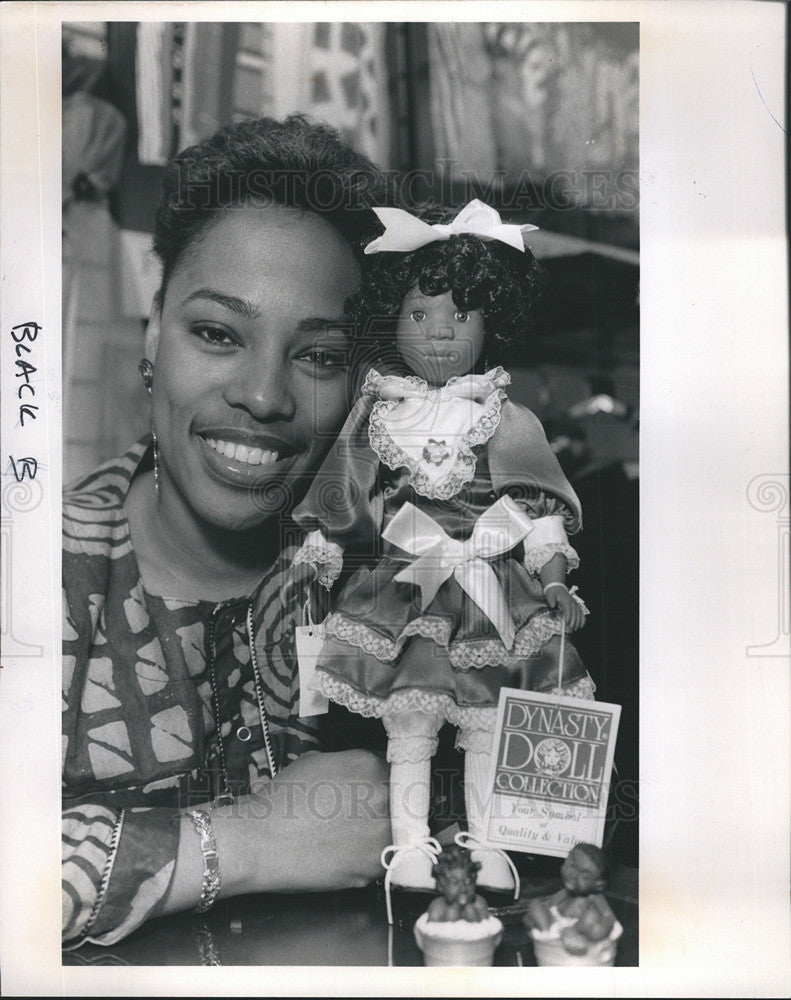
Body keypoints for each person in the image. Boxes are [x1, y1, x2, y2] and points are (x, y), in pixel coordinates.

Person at [62, 116, 394, 947]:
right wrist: (243, 844)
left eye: (318, 356)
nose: (263, 395)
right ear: (151, 336)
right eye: (216, 333)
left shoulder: (395, 585)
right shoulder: (34, 575)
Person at [289, 201, 593, 895]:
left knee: (489, 721)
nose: (437, 333)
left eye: (459, 316)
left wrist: (552, 580)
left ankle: (488, 846)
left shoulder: (506, 416)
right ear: (393, 320)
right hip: (405, 584)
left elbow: (536, 509)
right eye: (419, 315)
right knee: (411, 718)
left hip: (491, 582)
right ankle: (410, 845)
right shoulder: (379, 411)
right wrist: (324, 548)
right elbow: (348, 493)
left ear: (490, 324)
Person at [523, 842, 617, 955]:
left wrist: (582, 931)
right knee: (534, 904)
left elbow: (609, 919)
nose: (574, 875)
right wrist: (533, 919)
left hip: (578, 929)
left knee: (591, 918)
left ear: (599, 885)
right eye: (572, 865)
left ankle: (574, 938)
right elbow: (547, 906)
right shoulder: (563, 894)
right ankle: (547, 934)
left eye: (585, 877)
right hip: (553, 927)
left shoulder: (594, 898)